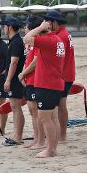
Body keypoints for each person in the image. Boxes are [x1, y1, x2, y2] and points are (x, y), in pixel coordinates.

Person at [23, 20, 65, 158]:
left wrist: (39, 27)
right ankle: (52, 147)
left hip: (48, 84)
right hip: (54, 83)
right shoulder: (57, 39)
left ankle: (51, 149)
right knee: (52, 117)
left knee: (45, 117)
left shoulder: (47, 40)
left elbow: (26, 38)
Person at [44, 10, 75, 142]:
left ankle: (61, 135)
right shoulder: (63, 33)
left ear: (54, 22)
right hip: (67, 74)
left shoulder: (61, 36)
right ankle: (60, 134)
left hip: (64, 75)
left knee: (60, 106)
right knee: (60, 106)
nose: (46, 24)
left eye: (48, 21)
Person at [18, 16, 45, 150]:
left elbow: (35, 62)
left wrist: (23, 73)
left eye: (26, 26)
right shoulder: (31, 43)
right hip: (29, 79)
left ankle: (40, 141)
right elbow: (28, 60)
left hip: (35, 80)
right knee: (33, 112)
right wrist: (24, 74)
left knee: (36, 112)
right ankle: (36, 139)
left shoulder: (38, 41)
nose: (24, 29)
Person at [1, 17, 26, 146]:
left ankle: (18, 137)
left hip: (15, 80)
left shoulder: (16, 42)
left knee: (16, 107)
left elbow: (14, 62)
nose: (3, 28)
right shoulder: (14, 41)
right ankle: (17, 136)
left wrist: (8, 80)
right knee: (15, 107)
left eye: (4, 26)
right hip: (15, 78)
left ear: (9, 27)